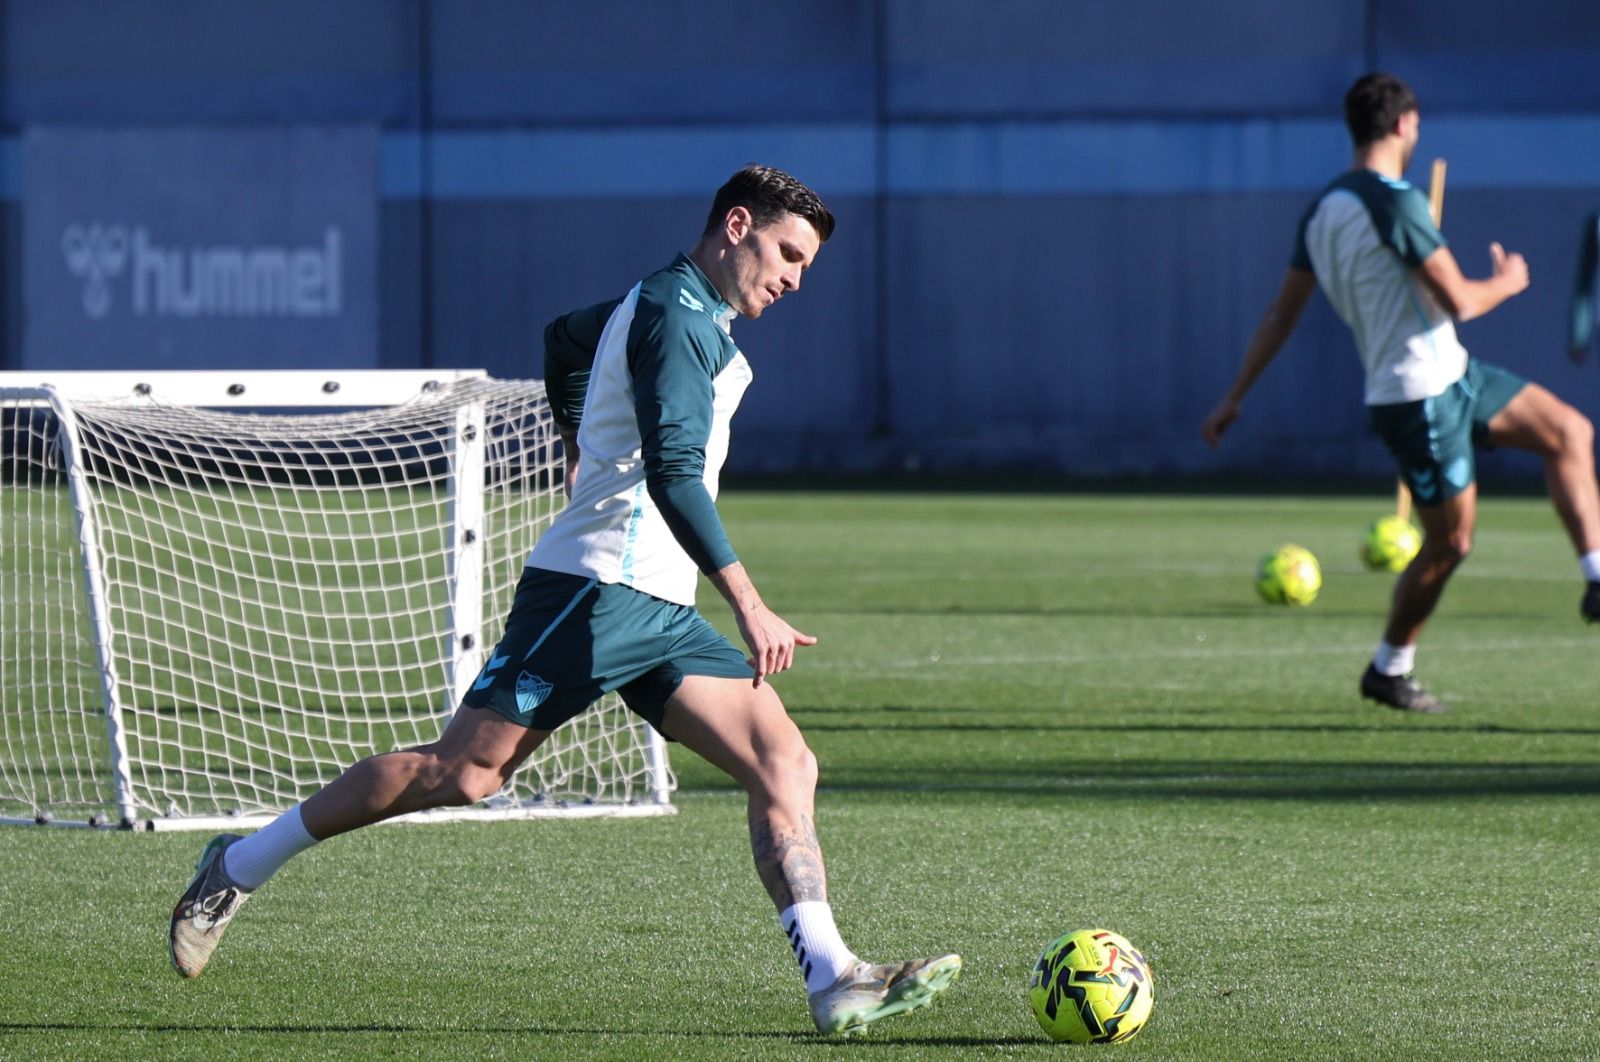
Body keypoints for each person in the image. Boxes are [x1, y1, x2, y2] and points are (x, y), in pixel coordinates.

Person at [168, 164, 961, 1035]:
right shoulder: (675, 318)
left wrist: (575, 436)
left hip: (658, 607)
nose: (795, 279)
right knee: (463, 774)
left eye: (806, 265)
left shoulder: (673, 307)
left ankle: (833, 976)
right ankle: (238, 866)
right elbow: (672, 475)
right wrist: (747, 599)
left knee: (785, 762)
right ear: (737, 226)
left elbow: (563, 339)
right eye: (788, 254)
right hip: (593, 590)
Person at [1201, 73, 1600, 714]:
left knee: (1569, 432)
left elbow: (1280, 313)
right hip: (1419, 395)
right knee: (1451, 543)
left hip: (1453, 373)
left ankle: (1597, 576)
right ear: (1404, 124)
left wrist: (1234, 395)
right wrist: (1507, 281)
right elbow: (1461, 300)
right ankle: (1389, 668)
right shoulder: (1392, 202)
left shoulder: (1323, 209)